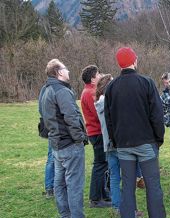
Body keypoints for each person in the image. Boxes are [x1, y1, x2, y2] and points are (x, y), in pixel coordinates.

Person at [105, 47, 166, 218]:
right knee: (153, 187)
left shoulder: (111, 88)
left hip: (123, 145)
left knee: (128, 188)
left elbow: (109, 120)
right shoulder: (146, 82)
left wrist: (116, 141)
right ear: (134, 61)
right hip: (146, 142)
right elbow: (157, 115)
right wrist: (158, 139)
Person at [39, 59, 87, 218]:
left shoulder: (45, 89)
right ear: (59, 72)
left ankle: (65, 215)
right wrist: (79, 138)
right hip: (69, 145)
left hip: (57, 145)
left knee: (59, 184)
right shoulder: (61, 91)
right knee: (74, 185)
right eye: (65, 68)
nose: (68, 71)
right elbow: (71, 117)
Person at [94, 74, 144, 216]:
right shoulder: (111, 102)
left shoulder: (98, 103)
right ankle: (131, 209)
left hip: (108, 146)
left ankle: (117, 207)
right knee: (129, 177)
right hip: (120, 144)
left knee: (115, 177)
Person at [80, 65, 111, 208]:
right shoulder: (90, 93)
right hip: (97, 133)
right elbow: (100, 114)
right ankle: (95, 199)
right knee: (100, 165)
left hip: (95, 133)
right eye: (98, 74)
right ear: (93, 79)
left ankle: (104, 194)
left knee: (104, 165)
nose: (100, 75)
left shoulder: (88, 91)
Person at [38, 85, 55, 199]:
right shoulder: (49, 89)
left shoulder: (45, 88)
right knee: (52, 158)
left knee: (52, 158)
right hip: (53, 127)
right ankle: (50, 187)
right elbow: (41, 109)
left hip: (51, 126)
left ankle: (51, 187)